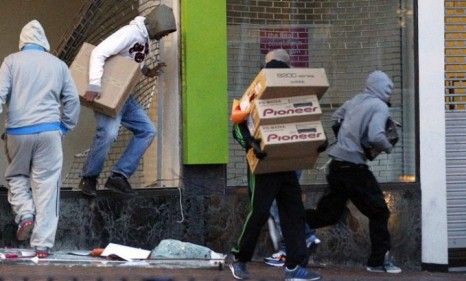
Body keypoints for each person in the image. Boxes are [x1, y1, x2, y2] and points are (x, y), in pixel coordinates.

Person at [228, 49, 321, 281]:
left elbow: (304, 121)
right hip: (263, 163)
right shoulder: (257, 89)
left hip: (285, 162)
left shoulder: (290, 90)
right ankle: (239, 259)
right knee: (262, 212)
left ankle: (293, 266)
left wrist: (314, 142)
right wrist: (252, 144)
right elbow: (237, 127)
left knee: (292, 213)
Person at [305, 70, 401, 274]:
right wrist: (388, 146)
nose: (389, 93)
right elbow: (376, 135)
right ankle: (378, 262)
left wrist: (346, 139)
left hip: (337, 166)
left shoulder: (355, 100)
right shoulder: (380, 106)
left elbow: (335, 118)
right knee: (379, 212)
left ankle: (290, 220)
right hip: (355, 169)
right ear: (382, 88)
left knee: (327, 215)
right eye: (388, 89)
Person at [0, 20, 80, 258]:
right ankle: (42, 246)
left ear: (23, 42)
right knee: (46, 186)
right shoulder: (58, 65)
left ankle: (25, 214)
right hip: (49, 132)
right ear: (43, 41)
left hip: (17, 132)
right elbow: (72, 102)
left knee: (16, 175)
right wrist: (64, 128)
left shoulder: (11, 62)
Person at [79, 5, 176, 197]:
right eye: (164, 32)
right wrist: (94, 84)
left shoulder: (144, 40)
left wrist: (147, 71)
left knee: (147, 130)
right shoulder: (130, 33)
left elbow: (127, 63)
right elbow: (99, 52)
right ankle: (88, 178)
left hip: (124, 96)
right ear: (156, 24)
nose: (163, 36)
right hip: (107, 93)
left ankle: (118, 176)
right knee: (108, 133)